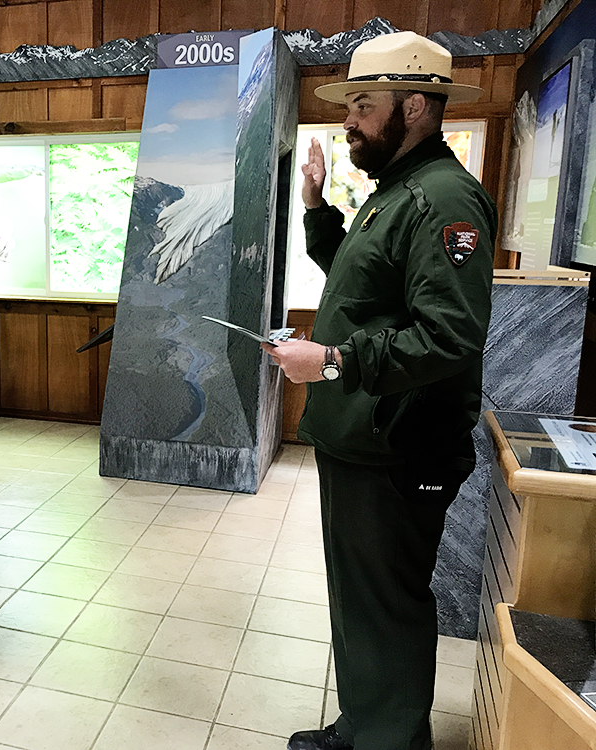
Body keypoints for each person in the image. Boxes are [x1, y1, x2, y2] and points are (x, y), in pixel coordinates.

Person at [263, 32, 497, 750]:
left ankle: (389, 738)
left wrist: (329, 362)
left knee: (387, 603)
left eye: (365, 104)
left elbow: (449, 337)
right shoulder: (396, 192)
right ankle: (366, 721)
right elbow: (362, 280)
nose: (349, 120)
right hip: (363, 439)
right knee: (359, 602)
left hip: (400, 446)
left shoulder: (445, 199)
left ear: (418, 107)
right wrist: (316, 205)